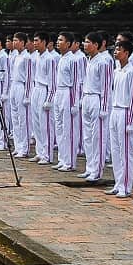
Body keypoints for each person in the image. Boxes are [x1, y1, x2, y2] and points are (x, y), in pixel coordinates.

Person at [107, 39, 133, 198]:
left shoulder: (132, 73)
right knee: (116, 149)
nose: (116, 52)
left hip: (125, 111)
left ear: (126, 53)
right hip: (115, 109)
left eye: (119, 49)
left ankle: (126, 185)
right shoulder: (117, 71)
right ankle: (118, 182)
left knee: (125, 151)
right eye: (115, 49)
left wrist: (131, 121)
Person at [78, 31, 111, 182]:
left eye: (88, 42)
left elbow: (106, 86)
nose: (85, 45)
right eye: (84, 42)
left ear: (96, 45)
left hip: (97, 98)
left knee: (97, 136)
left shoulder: (103, 62)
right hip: (87, 97)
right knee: (87, 136)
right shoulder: (88, 60)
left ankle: (97, 170)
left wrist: (104, 107)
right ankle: (89, 167)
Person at [52, 31, 81, 171]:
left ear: (68, 43)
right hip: (59, 91)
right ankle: (62, 158)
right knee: (59, 127)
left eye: (61, 40)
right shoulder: (61, 58)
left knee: (68, 129)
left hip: (68, 92)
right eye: (57, 40)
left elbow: (76, 82)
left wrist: (75, 102)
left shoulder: (73, 60)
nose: (58, 42)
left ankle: (70, 162)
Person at [29, 31, 55, 164]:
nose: (35, 43)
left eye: (37, 41)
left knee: (45, 124)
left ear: (44, 42)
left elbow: (52, 81)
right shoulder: (37, 57)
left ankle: (47, 154)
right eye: (34, 41)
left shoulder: (50, 59)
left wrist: (49, 98)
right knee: (37, 123)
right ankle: (40, 152)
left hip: (44, 89)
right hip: (36, 88)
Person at [9, 32, 33, 158]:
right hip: (14, 85)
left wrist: (27, 95)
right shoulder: (16, 56)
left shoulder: (27, 57)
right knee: (15, 118)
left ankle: (25, 147)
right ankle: (18, 146)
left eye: (16, 40)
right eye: (13, 40)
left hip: (22, 86)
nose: (14, 42)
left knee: (23, 119)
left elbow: (29, 77)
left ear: (23, 43)